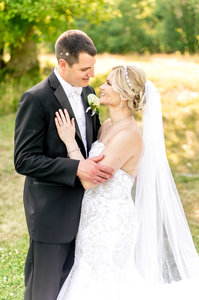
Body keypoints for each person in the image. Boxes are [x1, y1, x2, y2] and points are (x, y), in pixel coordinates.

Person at [54, 65, 199, 300]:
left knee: (105, 280)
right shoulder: (107, 126)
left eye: (109, 84)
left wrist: (70, 141)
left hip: (111, 222)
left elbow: (90, 182)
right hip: (93, 219)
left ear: (123, 96)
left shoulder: (129, 136)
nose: (101, 87)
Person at [14, 30, 114, 300]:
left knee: (71, 288)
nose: (91, 75)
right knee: (43, 291)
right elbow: (23, 160)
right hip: (52, 213)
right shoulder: (36, 99)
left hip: (87, 212)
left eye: (93, 67)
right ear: (62, 64)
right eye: (84, 68)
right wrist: (75, 169)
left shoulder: (89, 92)